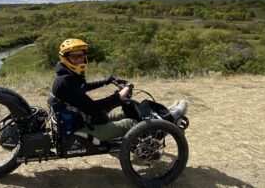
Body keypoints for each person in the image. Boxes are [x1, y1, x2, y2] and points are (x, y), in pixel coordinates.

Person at [47, 38, 187, 142]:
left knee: (130, 113)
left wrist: (105, 81)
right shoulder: (66, 81)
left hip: (82, 120)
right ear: (65, 58)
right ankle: (168, 123)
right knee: (132, 123)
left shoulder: (66, 76)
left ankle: (166, 114)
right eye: (75, 56)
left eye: (82, 55)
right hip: (80, 130)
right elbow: (93, 107)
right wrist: (118, 96)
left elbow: (82, 88)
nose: (80, 59)